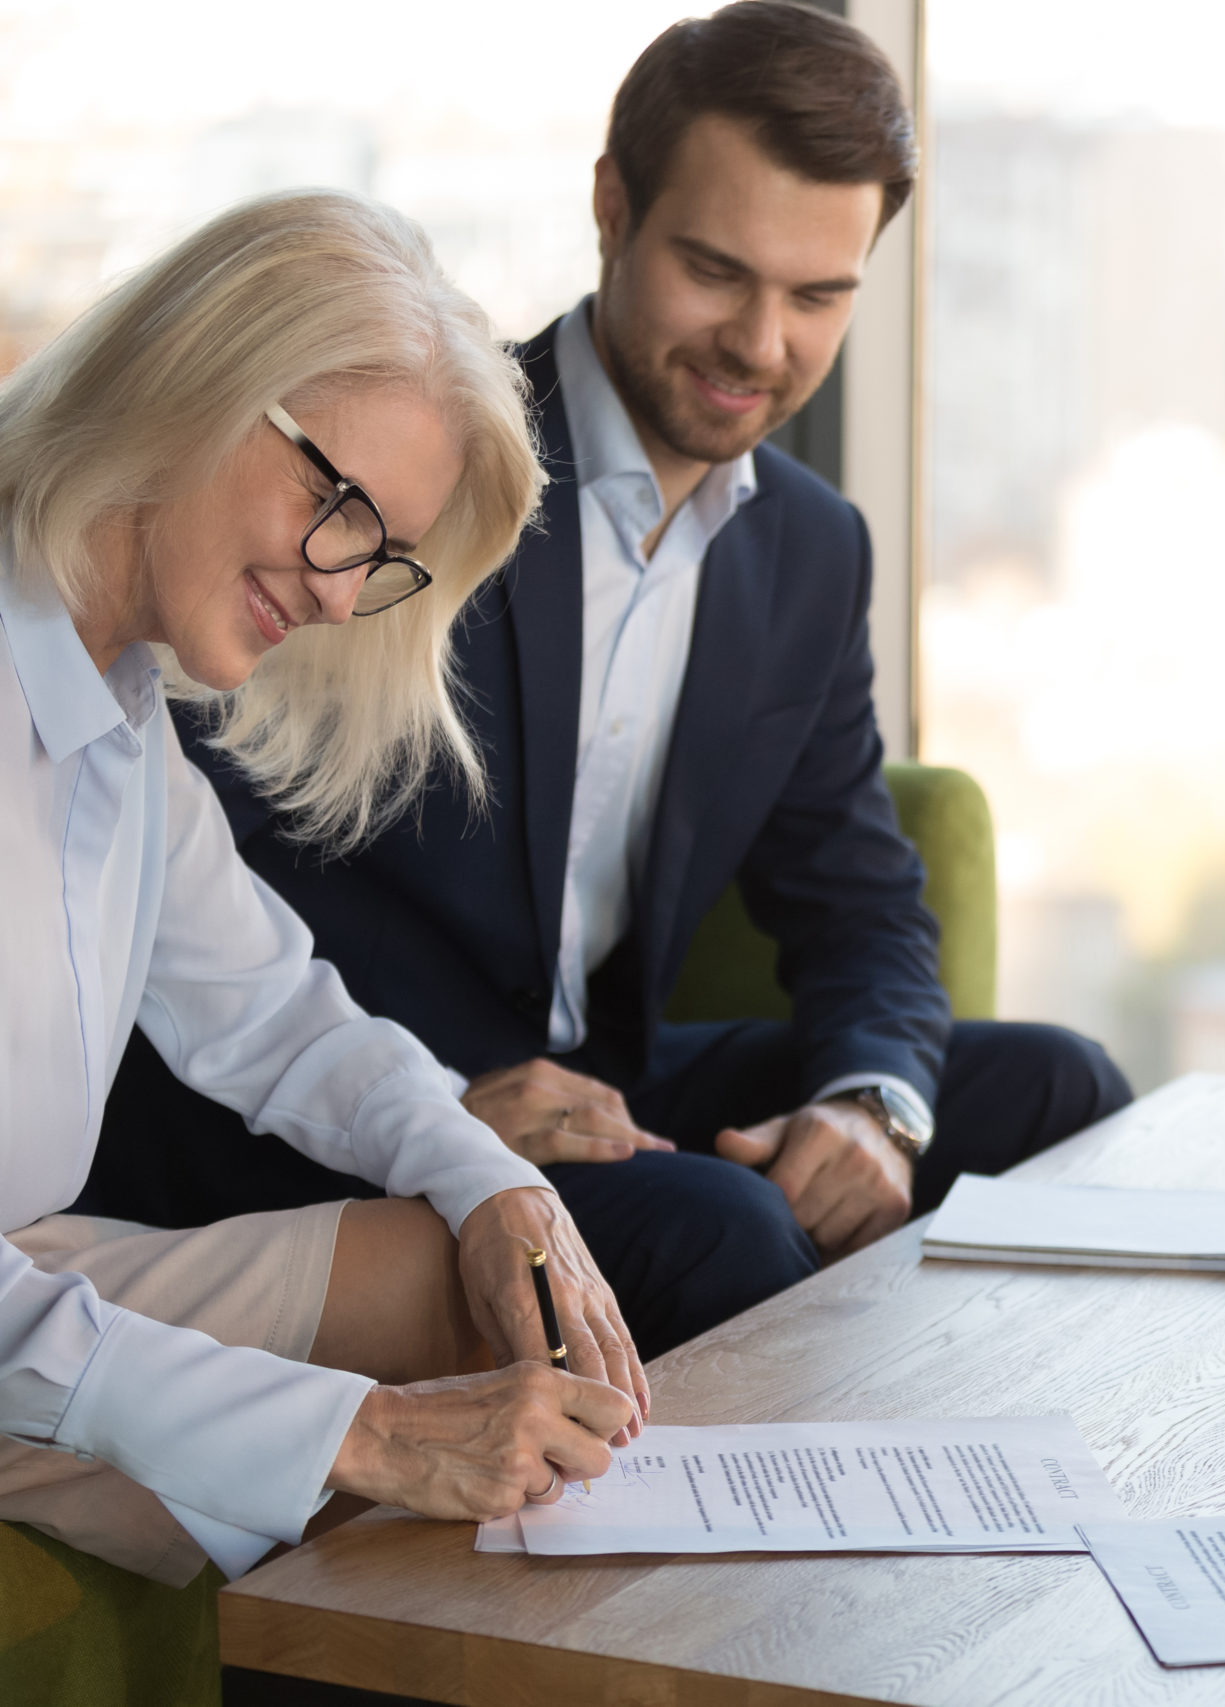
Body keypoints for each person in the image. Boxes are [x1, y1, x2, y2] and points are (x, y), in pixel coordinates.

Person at [82, 1, 1132, 1363]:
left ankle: (985, 1470)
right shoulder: (408, 477)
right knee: (724, 1232)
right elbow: (184, 887)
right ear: (612, 206)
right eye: (717, 270)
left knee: (1064, 1085)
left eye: (820, 294)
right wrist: (439, 1108)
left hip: (608, 1086)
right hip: (354, 1108)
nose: (763, 344)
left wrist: (871, 1110)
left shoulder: (812, 549)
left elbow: (860, 901)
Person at [2, 190, 648, 1588]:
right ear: (203, 372)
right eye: (338, 505)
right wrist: (358, 1433)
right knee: (376, 1461)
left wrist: (497, 1189)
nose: (345, 595)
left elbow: (277, 1019)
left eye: (380, 551)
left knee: (483, 1300)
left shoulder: (115, 707)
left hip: (21, 1275)